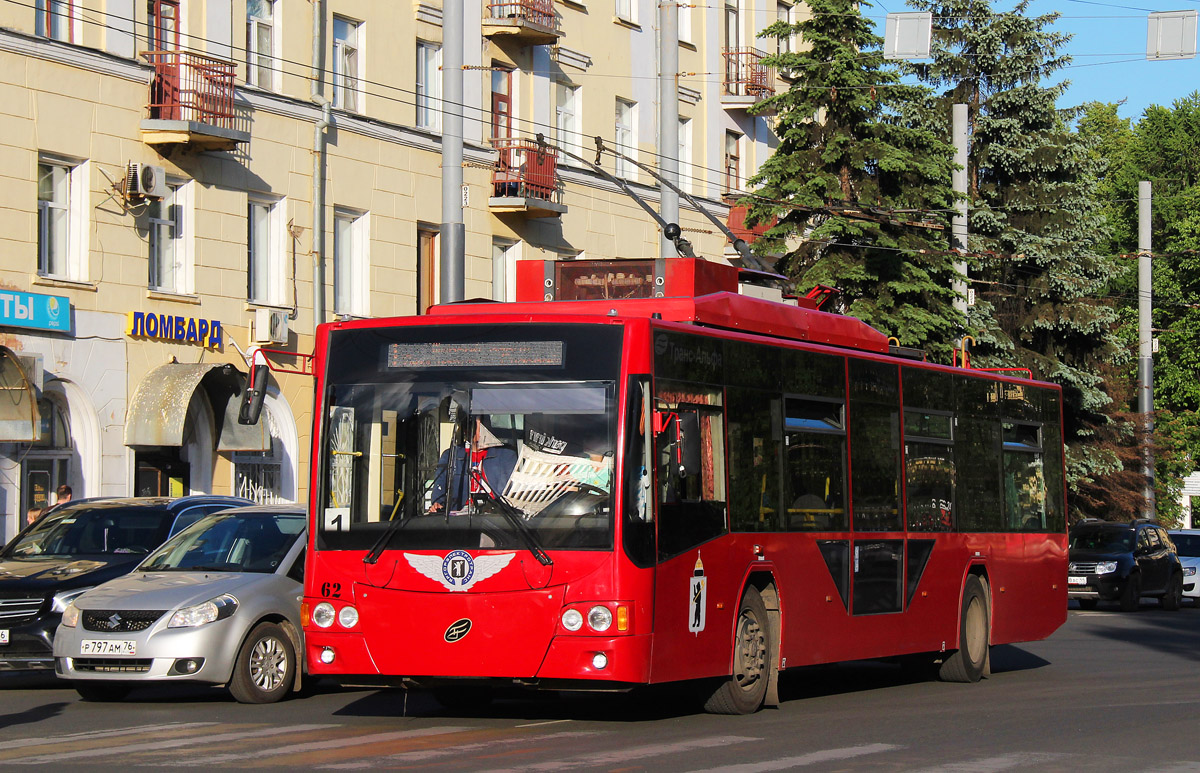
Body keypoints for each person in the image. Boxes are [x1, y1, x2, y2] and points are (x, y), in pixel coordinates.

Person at [429, 418, 517, 512]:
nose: (480, 432)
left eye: (483, 427)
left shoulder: (506, 455)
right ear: (467, 431)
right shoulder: (450, 456)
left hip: (496, 516)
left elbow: (508, 494)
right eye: (476, 427)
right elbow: (439, 489)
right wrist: (438, 504)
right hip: (459, 519)